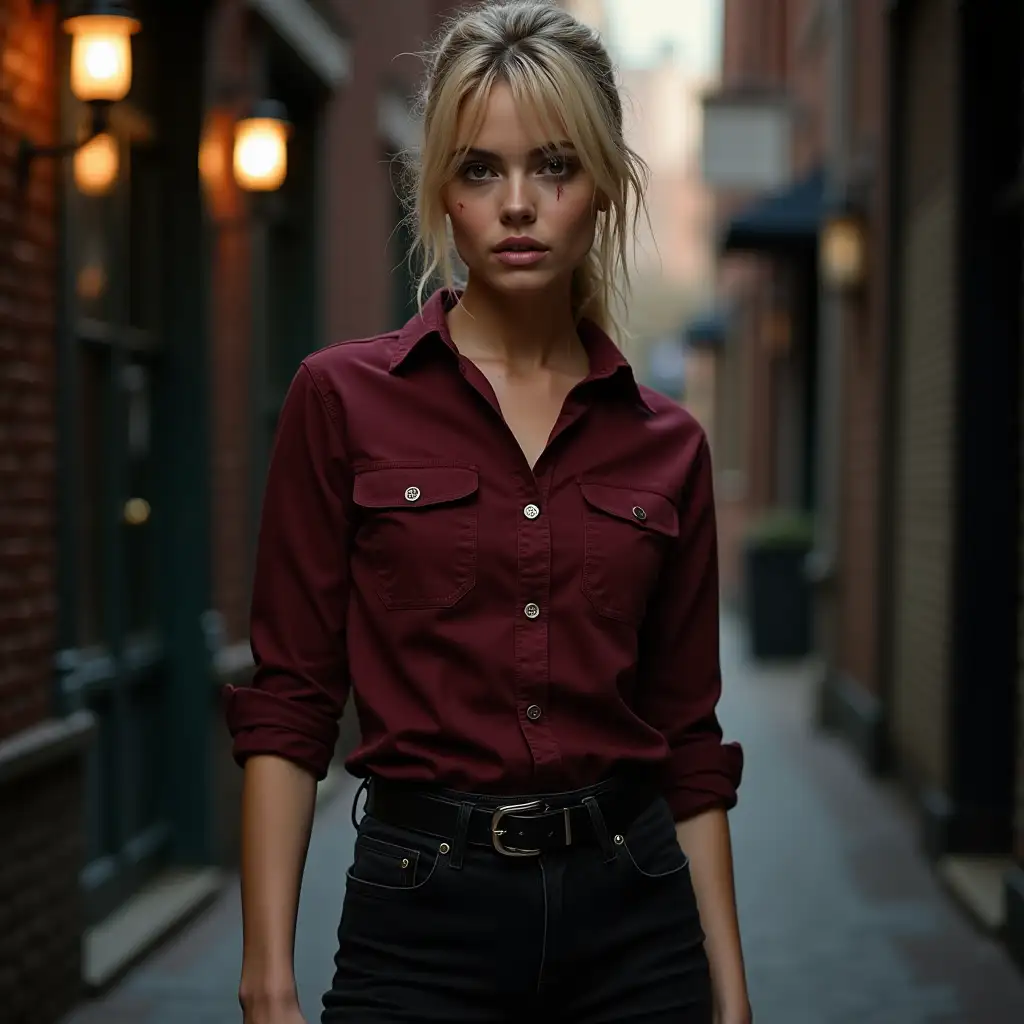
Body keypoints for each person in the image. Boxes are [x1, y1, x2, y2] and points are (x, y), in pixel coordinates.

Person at [226, 2, 750, 1022]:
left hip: (634, 919)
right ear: (441, 195)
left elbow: (689, 743)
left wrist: (729, 995)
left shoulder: (668, 445)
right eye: (479, 170)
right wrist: (265, 971)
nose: (517, 204)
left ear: (602, 186)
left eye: (553, 166)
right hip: (419, 915)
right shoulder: (340, 401)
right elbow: (291, 701)